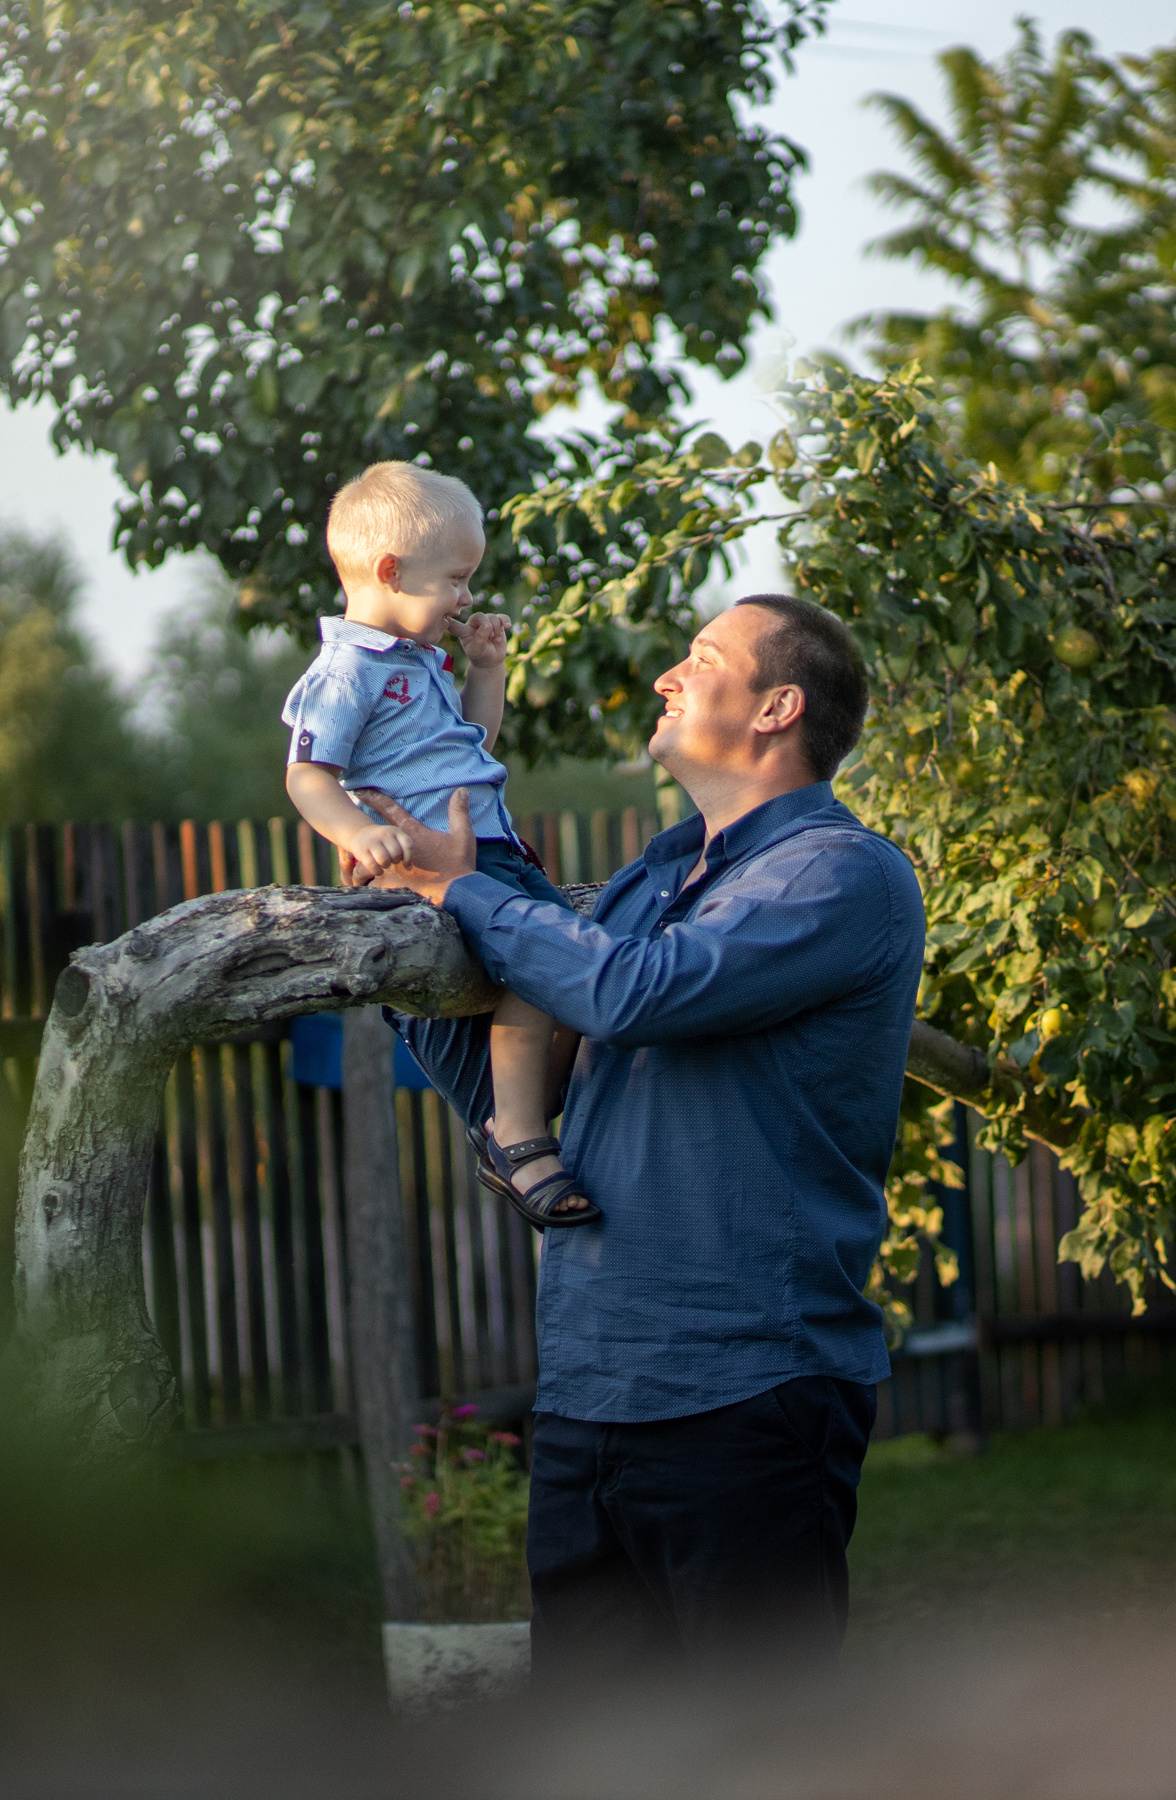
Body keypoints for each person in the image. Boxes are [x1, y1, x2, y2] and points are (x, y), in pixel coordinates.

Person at [344, 595, 926, 1679]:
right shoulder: (650, 882)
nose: (666, 676)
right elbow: (517, 1080)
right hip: (589, 1392)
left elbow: (634, 994)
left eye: (700, 659)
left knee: (762, 1760)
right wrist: (405, 917)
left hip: (750, 1392)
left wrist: (469, 887)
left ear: (777, 708)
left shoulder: (841, 874)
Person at [282, 461, 593, 1228]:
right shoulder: (347, 670)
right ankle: (516, 1136)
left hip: (496, 852)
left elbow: (471, 747)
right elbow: (306, 777)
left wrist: (489, 671)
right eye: (456, 580)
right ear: (391, 571)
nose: (466, 598)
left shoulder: (418, 664)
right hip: (440, 868)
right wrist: (362, 831)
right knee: (542, 961)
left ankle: (535, 1118)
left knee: (574, 961)